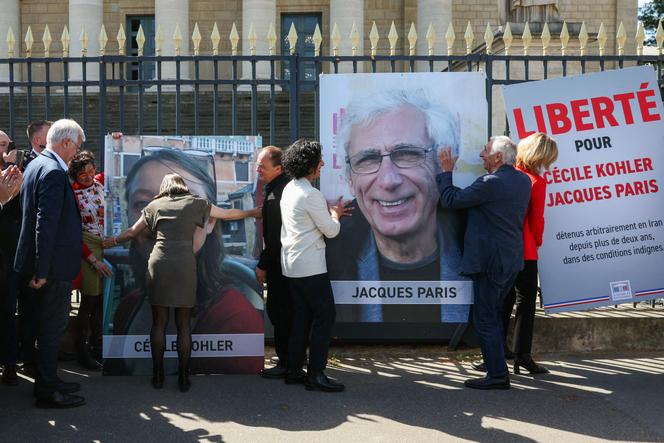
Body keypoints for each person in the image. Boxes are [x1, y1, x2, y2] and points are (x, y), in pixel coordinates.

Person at [107, 148, 264, 376]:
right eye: (141, 203)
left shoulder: (233, 318)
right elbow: (230, 215)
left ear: (210, 223)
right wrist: (252, 212)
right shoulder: (128, 307)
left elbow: (131, 232)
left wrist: (106, 243)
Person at [327, 88, 469, 324]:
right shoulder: (335, 262)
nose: (388, 180)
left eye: (406, 154)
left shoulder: (472, 244)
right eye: (368, 159)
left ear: (442, 165)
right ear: (350, 180)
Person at [438, 136, 531, 390]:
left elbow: (451, 201)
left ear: (498, 157)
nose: (481, 154)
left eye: (486, 150)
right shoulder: (522, 180)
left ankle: (498, 375)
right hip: (510, 260)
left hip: (491, 262)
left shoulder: (491, 183)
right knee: (493, 315)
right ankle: (496, 368)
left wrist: (446, 172)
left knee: (486, 318)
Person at [13, 119, 86, 408]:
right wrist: (43, 271)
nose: (77, 153)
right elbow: (46, 223)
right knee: (51, 329)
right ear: (66, 142)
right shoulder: (54, 170)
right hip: (50, 268)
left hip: (39, 263)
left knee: (42, 326)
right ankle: (47, 390)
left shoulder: (36, 164)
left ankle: (50, 380)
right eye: (77, 146)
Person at [280, 139, 351, 392]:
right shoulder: (311, 194)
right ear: (309, 164)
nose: (322, 163)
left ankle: (293, 370)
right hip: (310, 266)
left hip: (291, 265)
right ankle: (316, 374)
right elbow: (331, 231)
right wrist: (336, 214)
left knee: (301, 317)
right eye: (319, 160)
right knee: (325, 316)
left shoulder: (290, 188)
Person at [501, 132, 558, 375]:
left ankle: (495, 352)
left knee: (503, 301)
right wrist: (538, 241)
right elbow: (536, 222)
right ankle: (522, 355)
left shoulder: (507, 176)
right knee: (526, 303)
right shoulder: (536, 182)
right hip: (525, 249)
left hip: (503, 247)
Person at [68, 150, 113, 371]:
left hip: (107, 244)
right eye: (82, 173)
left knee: (103, 301)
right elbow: (75, 234)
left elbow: (118, 160)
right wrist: (93, 260)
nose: (88, 175)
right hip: (87, 248)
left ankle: (100, 345)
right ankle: (83, 350)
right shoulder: (72, 195)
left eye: (90, 170)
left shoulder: (101, 181)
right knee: (89, 302)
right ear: (74, 174)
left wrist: (118, 139)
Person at [254, 146, 293, 379]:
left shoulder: (280, 192)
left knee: (280, 312)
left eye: (262, 166)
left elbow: (276, 237)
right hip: (283, 262)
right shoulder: (277, 188)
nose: (258, 169)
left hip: (281, 264)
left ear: (278, 168)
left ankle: (287, 363)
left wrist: (263, 264)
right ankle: (290, 358)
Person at [0, 164, 22, 385]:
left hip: (8, 260)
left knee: (7, 313)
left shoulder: (12, 180)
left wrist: (16, 191)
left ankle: (10, 364)